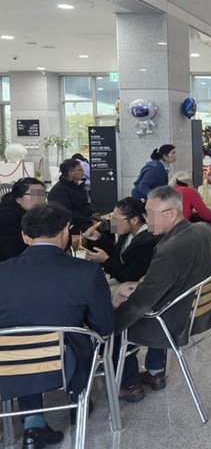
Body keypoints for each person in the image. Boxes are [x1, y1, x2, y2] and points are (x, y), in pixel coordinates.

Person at [0, 203, 113, 448]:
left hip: (9, 364)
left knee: (22, 344)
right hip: (64, 364)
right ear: (65, 231)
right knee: (80, 339)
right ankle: (77, 401)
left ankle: (32, 425)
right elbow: (104, 325)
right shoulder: (86, 271)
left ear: (25, 236)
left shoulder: (2, 272)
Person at [114, 186, 211, 401]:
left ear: (171, 214)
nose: (146, 219)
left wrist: (112, 322)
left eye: (150, 214)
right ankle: (155, 372)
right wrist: (138, 286)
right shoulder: (205, 230)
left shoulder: (170, 249)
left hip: (172, 322)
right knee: (138, 296)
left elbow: (141, 303)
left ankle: (129, 384)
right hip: (199, 312)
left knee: (117, 315)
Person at [82, 197, 159, 283]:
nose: (113, 223)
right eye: (112, 218)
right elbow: (115, 254)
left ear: (134, 220)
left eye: (116, 219)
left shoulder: (147, 243)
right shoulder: (126, 232)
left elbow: (130, 276)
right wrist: (99, 238)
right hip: (119, 277)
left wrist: (106, 261)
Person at [0, 177, 47, 262]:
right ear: (18, 199)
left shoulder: (39, 214)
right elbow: (12, 251)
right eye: (34, 195)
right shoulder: (6, 219)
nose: (40, 200)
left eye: (43, 195)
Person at [48, 158, 97, 233]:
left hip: (84, 220)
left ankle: (116, 239)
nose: (83, 172)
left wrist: (94, 214)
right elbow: (68, 214)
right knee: (100, 234)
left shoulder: (79, 185)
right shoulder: (60, 191)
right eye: (80, 170)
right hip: (69, 225)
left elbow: (85, 204)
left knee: (112, 225)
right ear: (70, 173)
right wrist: (90, 221)